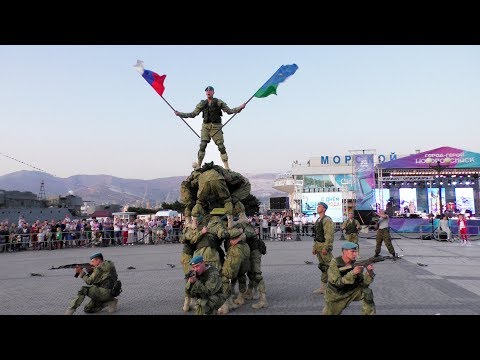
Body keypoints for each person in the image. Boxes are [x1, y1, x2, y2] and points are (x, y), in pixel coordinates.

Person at [174, 85, 246, 170]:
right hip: (206, 126)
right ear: (205, 93)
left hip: (216, 126)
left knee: (221, 146)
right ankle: (199, 165)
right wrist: (180, 114)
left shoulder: (219, 102)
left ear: (213, 92)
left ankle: (227, 167)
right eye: (207, 91)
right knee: (202, 145)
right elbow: (193, 114)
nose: (208, 92)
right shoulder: (202, 103)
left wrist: (240, 108)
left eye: (210, 90)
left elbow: (229, 111)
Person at [323, 242, 376, 315]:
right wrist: (352, 273)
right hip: (336, 295)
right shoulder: (334, 263)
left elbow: (363, 284)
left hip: (351, 292)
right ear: (344, 251)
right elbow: (338, 283)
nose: (356, 254)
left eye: (356, 252)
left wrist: (369, 274)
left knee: (367, 292)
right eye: (353, 252)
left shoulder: (354, 263)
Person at [312, 202, 334, 294]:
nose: (318, 207)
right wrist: (314, 247)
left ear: (324, 209)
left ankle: (336, 287)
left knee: (332, 266)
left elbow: (329, 235)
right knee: (323, 267)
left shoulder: (327, 220)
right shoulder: (318, 220)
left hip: (324, 246)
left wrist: (326, 247)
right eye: (317, 206)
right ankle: (323, 287)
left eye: (319, 206)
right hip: (318, 246)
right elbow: (317, 235)